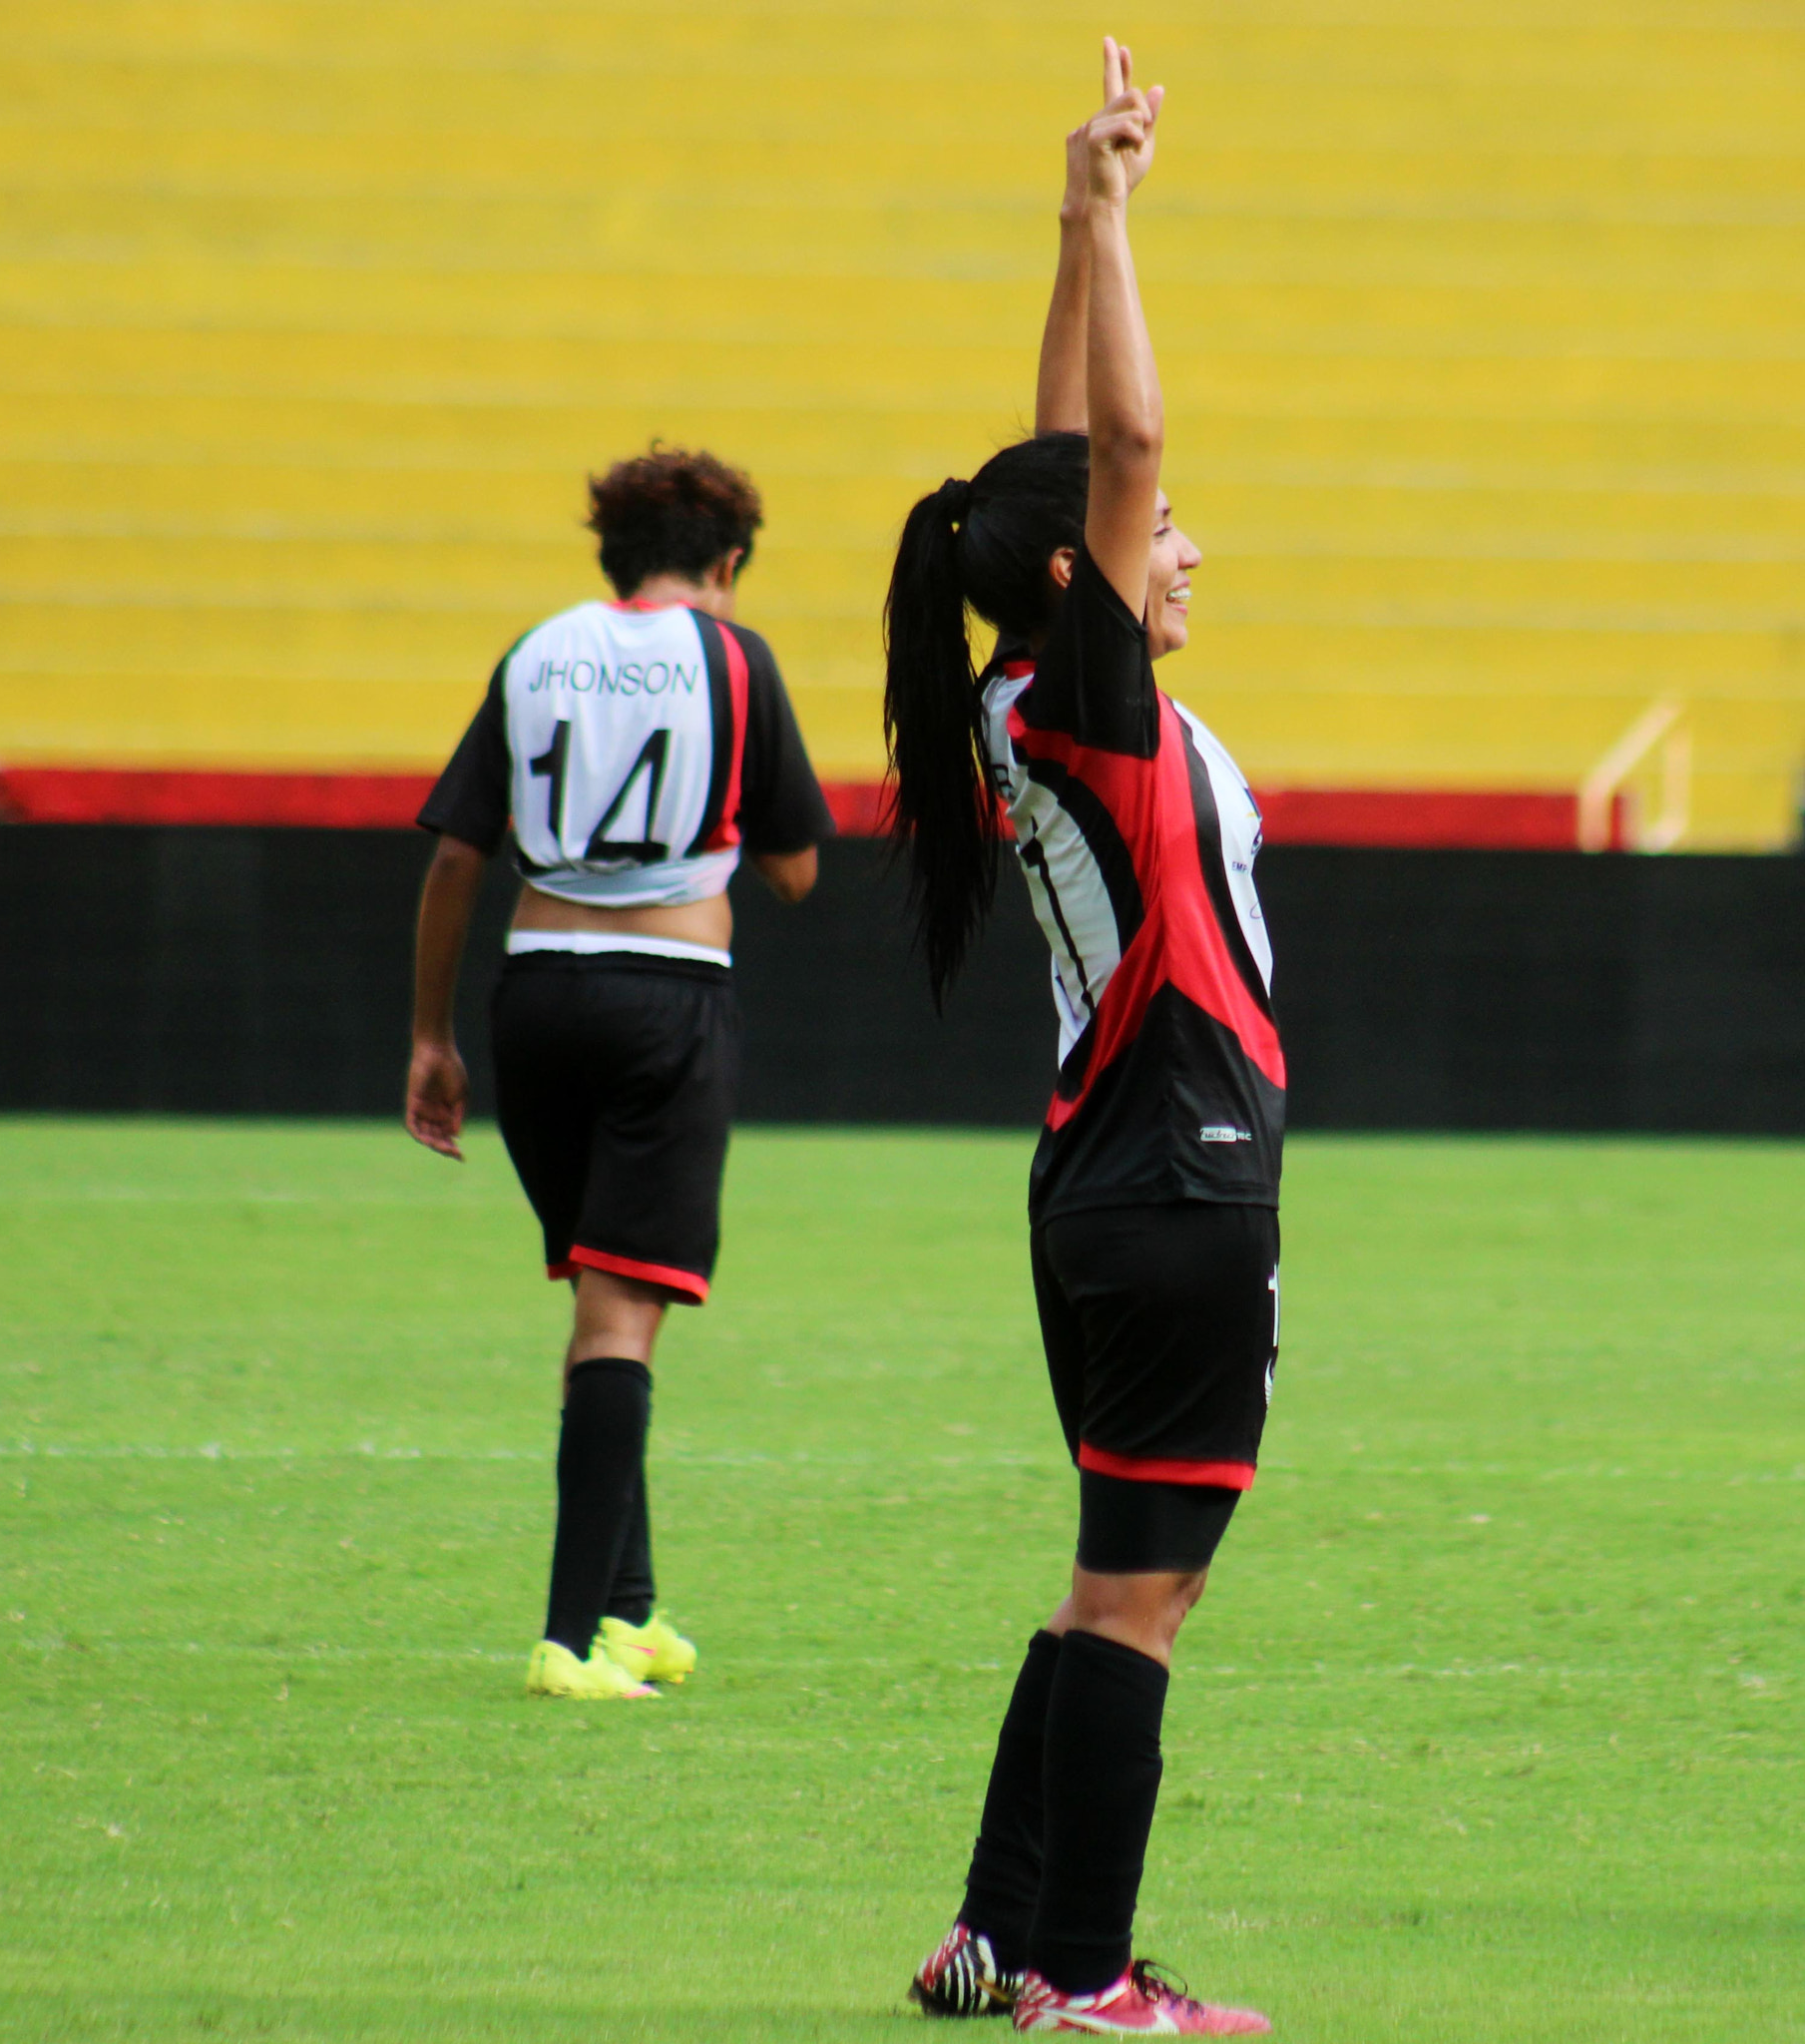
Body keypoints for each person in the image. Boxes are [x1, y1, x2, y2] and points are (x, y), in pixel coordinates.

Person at [886, 45, 1282, 2036]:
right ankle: (1083, 1979)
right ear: (1080, 570)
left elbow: (1063, 460)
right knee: (1141, 1590)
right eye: (1157, 529)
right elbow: (1109, 450)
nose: (1181, 541)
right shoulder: (1094, 705)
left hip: (1099, 1174)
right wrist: (1111, 224)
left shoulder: (1023, 691)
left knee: (1112, 1571)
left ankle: (994, 1929)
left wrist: (1072, 212)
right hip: (1172, 1173)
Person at [405, 444, 833, 1702]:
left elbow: (451, 860)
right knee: (620, 1316)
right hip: (664, 1002)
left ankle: (630, 1608)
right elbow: (798, 869)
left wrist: (432, 1036)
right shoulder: (733, 659)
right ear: (728, 563)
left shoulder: (535, 652)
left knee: (602, 1304)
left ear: (612, 555)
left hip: (532, 996)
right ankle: (569, 1638)